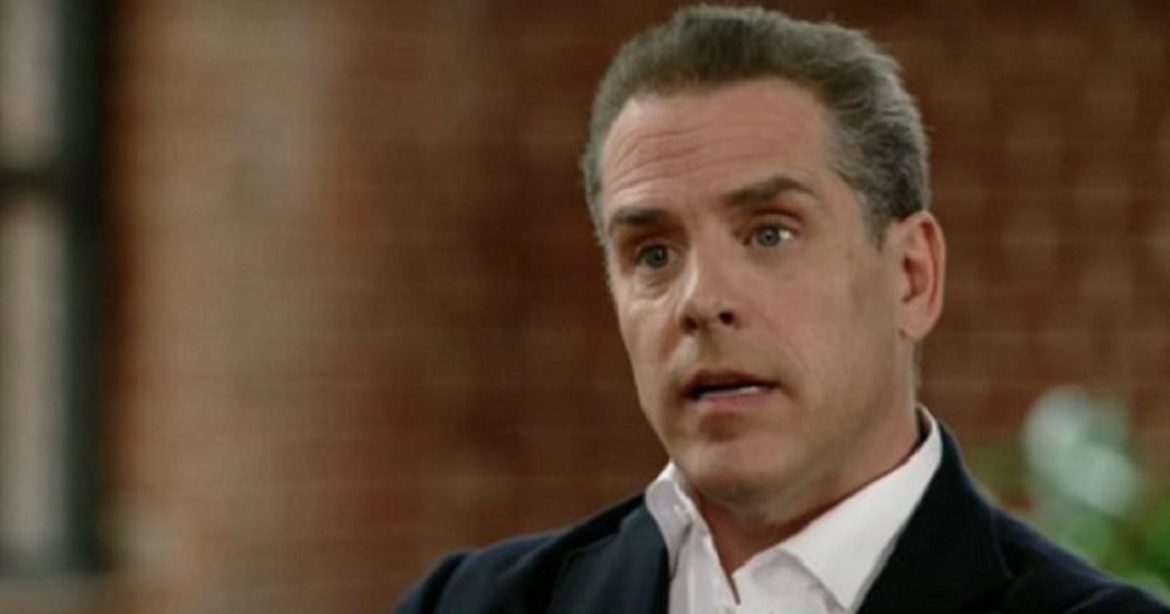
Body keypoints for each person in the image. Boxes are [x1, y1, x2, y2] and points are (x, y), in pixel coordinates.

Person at [395, 5, 1169, 613]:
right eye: (654, 254)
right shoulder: (468, 604)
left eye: (770, 233)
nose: (703, 300)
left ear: (911, 277)